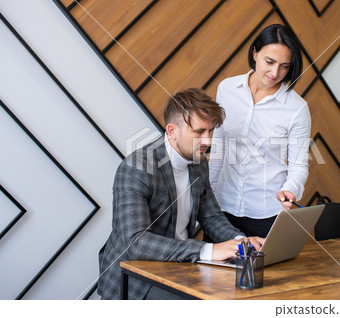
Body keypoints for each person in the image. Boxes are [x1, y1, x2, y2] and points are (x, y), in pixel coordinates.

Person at [98, 88, 264, 300]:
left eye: (210, 131)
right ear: (171, 131)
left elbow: (211, 217)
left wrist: (241, 243)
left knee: (248, 292)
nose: (208, 141)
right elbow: (135, 243)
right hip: (137, 276)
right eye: (199, 132)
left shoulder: (198, 162)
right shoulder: (136, 167)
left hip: (181, 267)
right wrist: (209, 251)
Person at [208, 24, 310, 238]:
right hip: (222, 209)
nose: (275, 73)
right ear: (255, 52)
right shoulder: (226, 89)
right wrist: (208, 197)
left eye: (284, 66)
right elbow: (218, 150)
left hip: (267, 213)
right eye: (270, 62)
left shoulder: (297, 108)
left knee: (263, 272)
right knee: (212, 271)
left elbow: (299, 165)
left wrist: (290, 190)